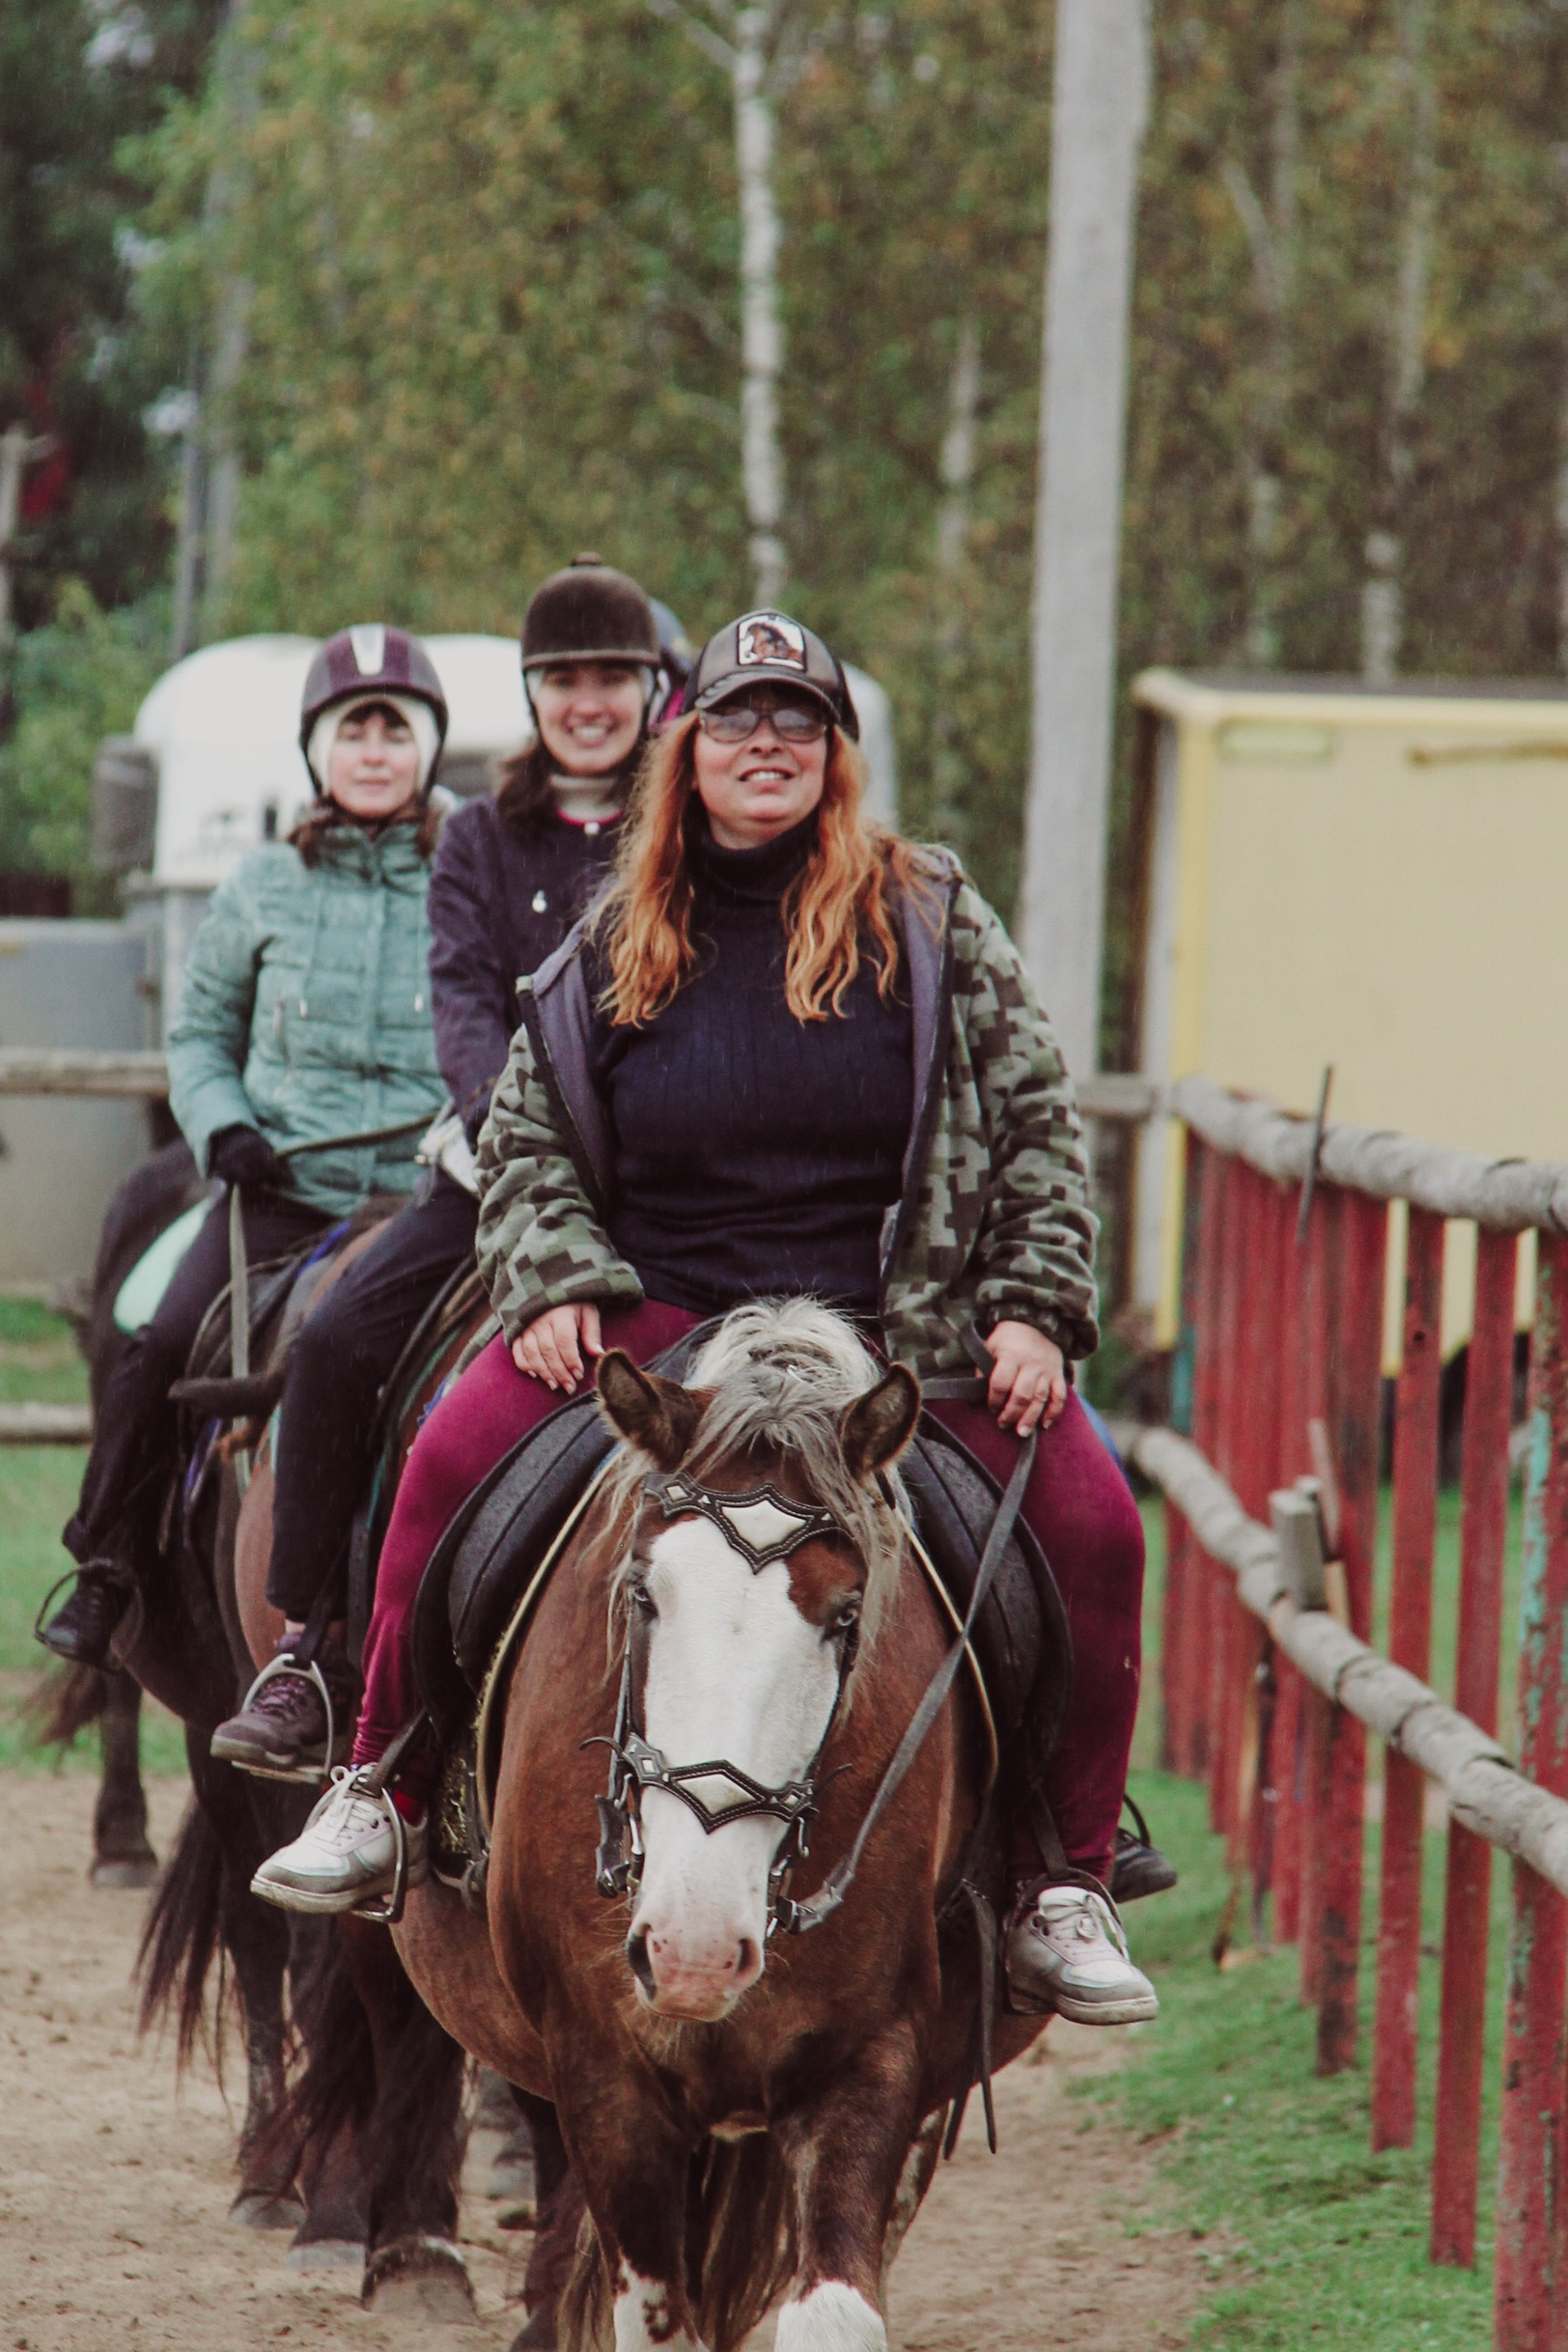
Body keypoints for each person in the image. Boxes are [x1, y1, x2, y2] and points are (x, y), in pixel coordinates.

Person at [250, 606, 1156, 2032]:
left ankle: (1065, 1877)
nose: (767, 745)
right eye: (739, 719)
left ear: (835, 754)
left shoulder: (927, 913)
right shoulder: (625, 918)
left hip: (892, 1322)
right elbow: (532, 1121)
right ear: (694, 745)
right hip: (655, 1313)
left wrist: (1034, 1311)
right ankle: (385, 1782)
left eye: (800, 721)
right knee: (444, 1457)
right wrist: (554, 1278)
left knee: (1098, 1523)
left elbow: (1039, 1119)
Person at [210, 555, 663, 1778]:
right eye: (563, 679)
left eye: (611, 679)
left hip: (672, 1189)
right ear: (533, 694)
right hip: (500, 1175)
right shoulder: (476, 837)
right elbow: (464, 1005)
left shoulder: (689, 826)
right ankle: (307, 1643)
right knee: (340, 1334)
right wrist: (517, 1133)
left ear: (650, 686)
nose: (587, 703)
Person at [41, 627, 454, 1671]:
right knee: (165, 1338)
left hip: (426, 1200)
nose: (373, 751)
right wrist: (222, 1125)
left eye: (394, 732)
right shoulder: (261, 885)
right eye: (352, 731)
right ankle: (108, 1566)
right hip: (286, 1188)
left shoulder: (466, 882)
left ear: (428, 754)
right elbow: (198, 1035)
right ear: (317, 753)